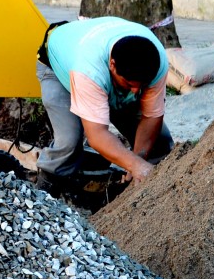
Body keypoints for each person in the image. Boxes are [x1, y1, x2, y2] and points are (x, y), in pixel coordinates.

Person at [35, 17, 173, 192]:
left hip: (98, 58)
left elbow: (151, 117)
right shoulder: (89, 70)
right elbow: (97, 135)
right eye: (130, 85)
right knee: (69, 142)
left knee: (159, 143)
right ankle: (45, 192)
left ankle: (140, 195)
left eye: (142, 86)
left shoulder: (156, 61)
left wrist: (137, 160)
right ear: (112, 65)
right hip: (57, 68)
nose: (135, 92)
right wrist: (136, 165)